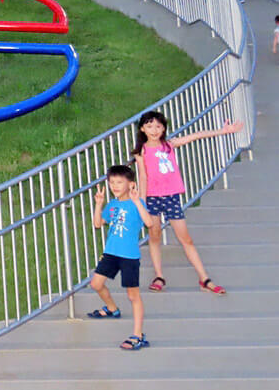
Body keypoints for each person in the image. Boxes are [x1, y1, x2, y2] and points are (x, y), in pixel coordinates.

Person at [131, 110, 243, 296]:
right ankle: (159, 276)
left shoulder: (169, 145)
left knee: (186, 239)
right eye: (149, 126)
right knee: (155, 236)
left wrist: (222, 131)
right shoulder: (141, 152)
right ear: (142, 128)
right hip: (151, 198)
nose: (154, 130)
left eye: (158, 126)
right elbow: (143, 177)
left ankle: (204, 278)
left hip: (171, 196)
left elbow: (195, 136)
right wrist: (142, 202)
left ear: (164, 128)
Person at [88, 164, 153, 351]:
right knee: (96, 284)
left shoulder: (136, 203)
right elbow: (98, 224)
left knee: (133, 295)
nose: (114, 186)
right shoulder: (113, 204)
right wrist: (98, 204)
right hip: (111, 252)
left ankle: (138, 335)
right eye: (111, 182)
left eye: (119, 182)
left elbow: (149, 223)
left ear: (130, 184)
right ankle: (112, 308)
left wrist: (137, 201)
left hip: (129, 255)